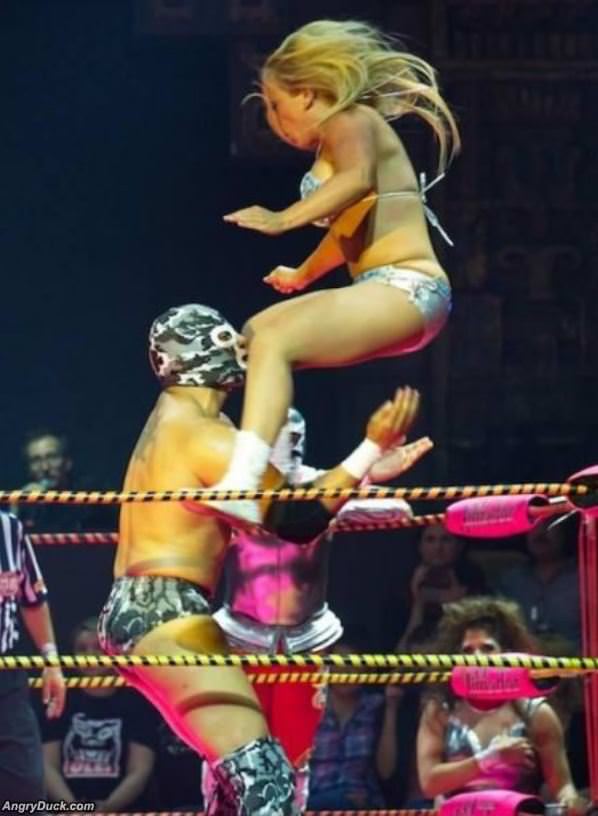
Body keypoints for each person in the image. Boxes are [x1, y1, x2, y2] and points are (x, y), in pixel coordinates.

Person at [97, 302, 420, 815]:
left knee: (236, 782)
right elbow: (298, 520)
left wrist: (363, 472)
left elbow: (271, 498)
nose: (243, 349)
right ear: (202, 353)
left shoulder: (175, 419)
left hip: (144, 608)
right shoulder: (204, 435)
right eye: (227, 339)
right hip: (166, 611)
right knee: (266, 776)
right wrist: (368, 446)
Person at [212, 18, 460, 522]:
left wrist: (283, 219)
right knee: (255, 337)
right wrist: (303, 273)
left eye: (275, 106)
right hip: (383, 289)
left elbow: (356, 180)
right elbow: (348, 229)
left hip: (408, 287)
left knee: (275, 341)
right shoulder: (337, 141)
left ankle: (242, 481)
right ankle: (273, 474)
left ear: (306, 94)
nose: (274, 122)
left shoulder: (349, 119)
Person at [206, 406, 431, 811]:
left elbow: (399, 511)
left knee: (296, 748)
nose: (294, 441)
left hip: (305, 639)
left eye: (299, 433)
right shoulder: (236, 484)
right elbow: (193, 505)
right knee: (228, 744)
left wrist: (352, 489)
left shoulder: (326, 485)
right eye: (283, 433)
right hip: (241, 635)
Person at [416, 597, 587, 814]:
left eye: (487, 648)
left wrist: (572, 802)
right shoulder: (441, 711)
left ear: (506, 653)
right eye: (467, 651)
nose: (477, 658)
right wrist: (491, 759)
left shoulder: (535, 713)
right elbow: (429, 783)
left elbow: (562, 786)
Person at [41, 617, 157, 810]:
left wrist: (107, 808)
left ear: (113, 652)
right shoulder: (60, 699)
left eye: (98, 648)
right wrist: (72, 808)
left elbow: (140, 769)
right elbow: (46, 765)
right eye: (82, 649)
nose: (90, 656)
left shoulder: (136, 702)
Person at [0, 510, 65, 798]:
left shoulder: (8, 528)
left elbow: (32, 598)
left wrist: (51, 661)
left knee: (25, 789)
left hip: (6, 677)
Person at [306, 635, 388, 810]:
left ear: (367, 670)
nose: (344, 673)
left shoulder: (376, 707)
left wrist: (392, 708)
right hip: (314, 803)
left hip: (362, 804)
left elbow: (387, 770)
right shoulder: (310, 705)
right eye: (337, 665)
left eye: (351, 665)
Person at [494, 517, 581, 649]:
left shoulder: (584, 577)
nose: (540, 531)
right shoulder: (511, 580)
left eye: (548, 523)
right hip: (522, 658)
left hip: (576, 658)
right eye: (533, 524)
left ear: (564, 530)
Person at [398, 524, 487, 649]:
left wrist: (458, 605)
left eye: (446, 540)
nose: (438, 547)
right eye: (430, 539)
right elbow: (399, 651)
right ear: (420, 546)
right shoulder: (404, 584)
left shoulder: (473, 580)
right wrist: (418, 603)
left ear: (459, 545)